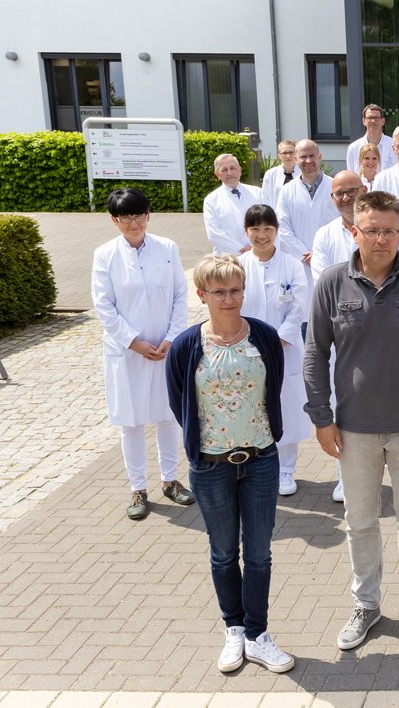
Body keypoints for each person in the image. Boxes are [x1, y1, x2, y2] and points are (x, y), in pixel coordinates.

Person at [303, 190, 399, 652]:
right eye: (372, 230)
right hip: (352, 430)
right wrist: (320, 416)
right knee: (360, 521)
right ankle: (366, 605)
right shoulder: (331, 282)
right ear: (355, 231)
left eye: (390, 230)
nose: (382, 239)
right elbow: (314, 353)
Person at [165, 254, 294, 675]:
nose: (229, 298)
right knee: (223, 553)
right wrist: (209, 444)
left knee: (258, 554)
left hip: (260, 461)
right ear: (201, 294)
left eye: (236, 289)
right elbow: (180, 402)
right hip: (211, 466)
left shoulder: (265, 337)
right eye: (219, 291)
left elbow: (273, 384)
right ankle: (233, 629)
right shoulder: (187, 345)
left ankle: (258, 635)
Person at [91, 187, 193, 521]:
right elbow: (104, 306)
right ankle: (138, 488)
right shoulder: (105, 254)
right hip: (128, 353)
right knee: (131, 422)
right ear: (114, 220)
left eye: (138, 215)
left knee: (167, 417)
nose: (133, 222)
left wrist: (172, 338)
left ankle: (170, 480)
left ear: (148, 215)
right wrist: (132, 341)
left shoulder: (167, 248)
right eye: (125, 217)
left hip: (165, 350)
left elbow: (181, 295)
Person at [239, 205, 313, 497]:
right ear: (246, 231)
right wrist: (250, 341)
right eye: (255, 229)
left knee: (286, 408)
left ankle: (285, 470)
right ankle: (256, 466)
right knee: (251, 406)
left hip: (285, 349)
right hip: (247, 348)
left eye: (267, 229)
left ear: (276, 231)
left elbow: (298, 308)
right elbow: (234, 307)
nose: (261, 235)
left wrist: (276, 341)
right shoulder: (238, 265)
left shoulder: (292, 264)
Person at [309, 170, 366, 503]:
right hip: (339, 333)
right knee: (340, 405)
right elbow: (323, 283)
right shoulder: (324, 236)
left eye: (352, 191)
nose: (346, 198)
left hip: (376, 333)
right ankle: (343, 475)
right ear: (332, 199)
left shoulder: (374, 228)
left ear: (365, 190)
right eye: (339, 193)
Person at [276, 139, 338, 294]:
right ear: (295, 159)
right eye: (303, 157)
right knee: (302, 310)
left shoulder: (336, 187)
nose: (308, 161)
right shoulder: (287, 191)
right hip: (299, 262)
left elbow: (342, 223)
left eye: (312, 156)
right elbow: (283, 228)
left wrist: (319, 254)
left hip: (331, 259)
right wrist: (305, 255)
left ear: (320, 157)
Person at [204, 154, 264, 255]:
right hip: (227, 259)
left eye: (232, 168)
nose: (229, 173)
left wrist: (256, 248)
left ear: (240, 170)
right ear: (217, 175)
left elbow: (269, 223)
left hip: (258, 254)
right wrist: (241, 250)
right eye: (224, 170)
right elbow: (214, 234)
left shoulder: (258, 193)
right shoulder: (211, 200)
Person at [345, 104, 397, 174]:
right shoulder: (353, 148)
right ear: (364, 121)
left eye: (376, 118)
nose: (373, 121)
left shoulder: (395, 145)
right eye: (370, 118)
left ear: (383, 121)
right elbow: (351, 177)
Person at [261, 140, 298, 207]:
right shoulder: (270, 174)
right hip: (277, 215)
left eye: (291, 152)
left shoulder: (304, 173)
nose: (288, 156)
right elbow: (265, 198)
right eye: (284, 153)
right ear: (279, 155)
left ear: (296, 154)